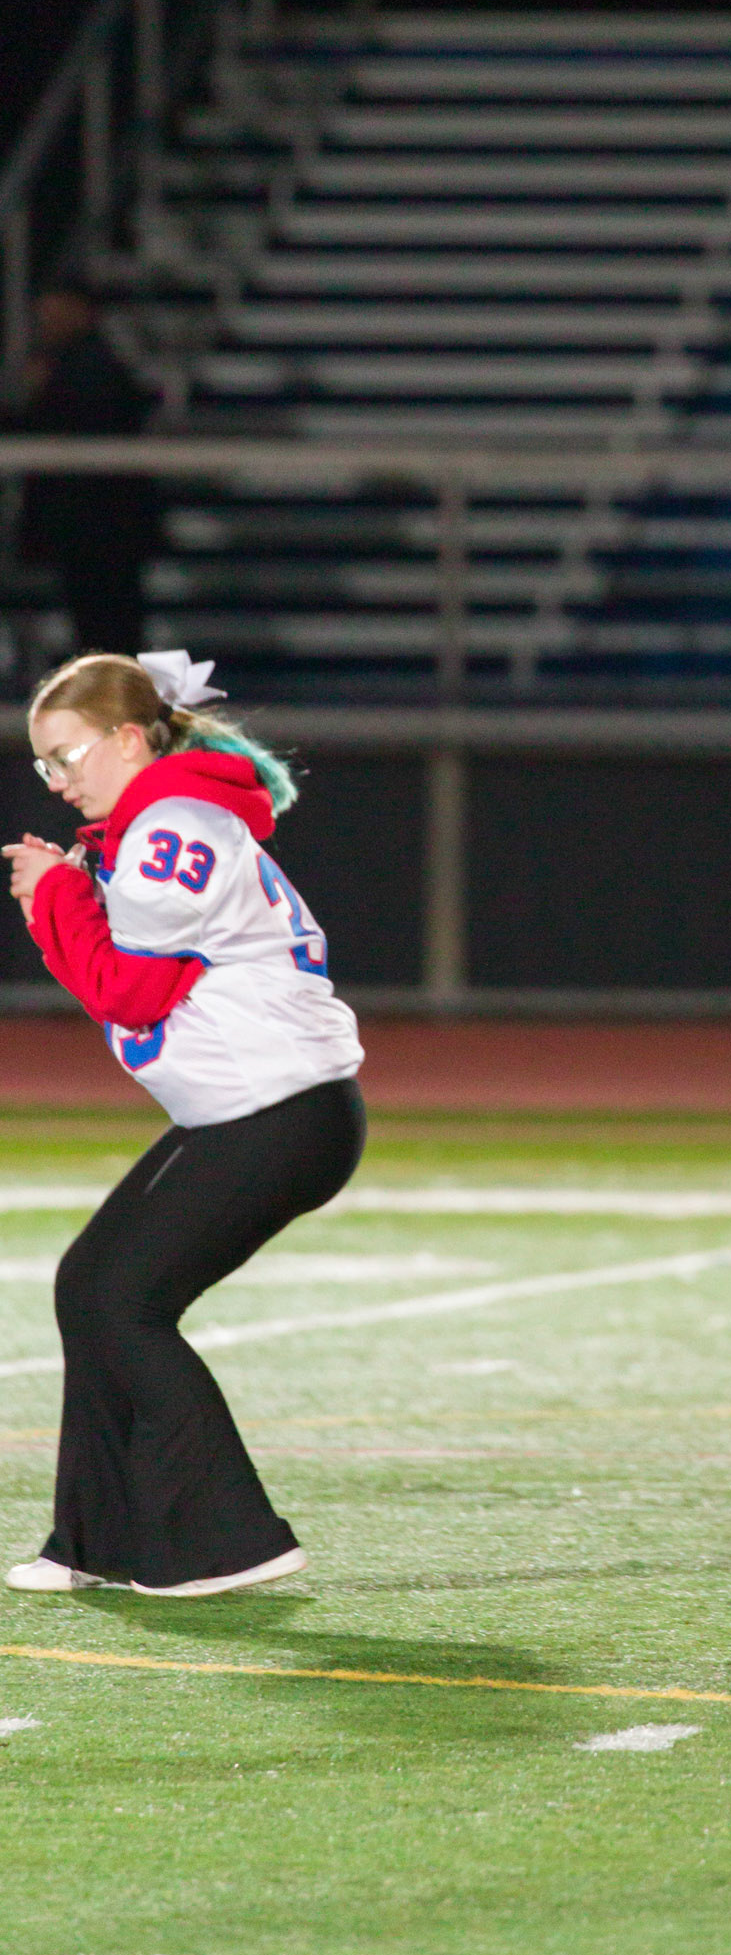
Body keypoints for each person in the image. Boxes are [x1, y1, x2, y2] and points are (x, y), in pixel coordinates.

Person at [2, 648, 364, 1597]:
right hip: (253, 1109)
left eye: (67, 756)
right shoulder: (156, 821)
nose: (58, 781)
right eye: (44, 764)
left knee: (124, 1302)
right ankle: (92, 1542)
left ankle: (229, 1542)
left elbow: (129, 993)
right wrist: (69, 895)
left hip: (279, 1111)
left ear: (129, 739)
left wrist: (56, 901)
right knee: (91, 1285)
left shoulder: (172, 823)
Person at [7, 283, 158, 656]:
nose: (47, 321)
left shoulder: (90, 368)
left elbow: (60, 429)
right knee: (101, 630)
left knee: (106, 629)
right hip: (94, 527)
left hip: (98, 525)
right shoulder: (76, 363)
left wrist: (36, 397)